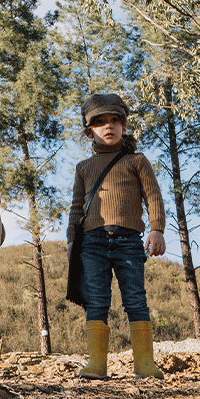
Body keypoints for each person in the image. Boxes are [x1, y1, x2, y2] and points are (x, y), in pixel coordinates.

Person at [66, 93, 166, 379]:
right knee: (97, 300)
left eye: (114, 120)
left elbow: (153, 197)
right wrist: (71, 241)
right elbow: (76, 207)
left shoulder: (137, 161)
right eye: (100, 122)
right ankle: (96, 363)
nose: (108, 126)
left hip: (129, 241)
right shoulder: (84, 168)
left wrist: (157, 229)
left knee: (135, 298)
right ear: (89, 131)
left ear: (124, 126)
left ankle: (144, 363)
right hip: (92, 243)